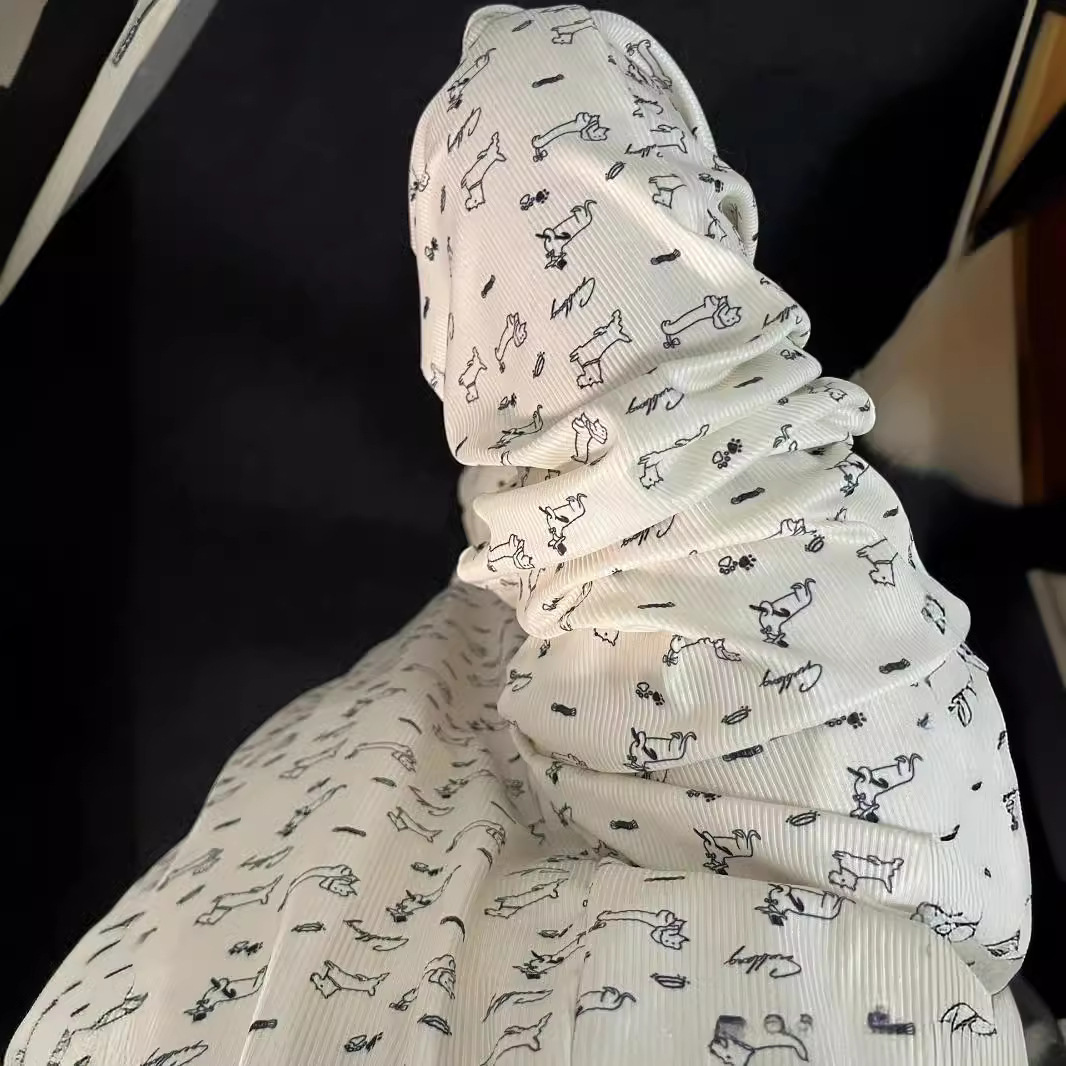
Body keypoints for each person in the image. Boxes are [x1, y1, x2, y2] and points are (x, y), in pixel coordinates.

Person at [7, 6, 1031, 1064]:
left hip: (741, 825)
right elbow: (530, 111)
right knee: (553, 533)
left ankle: (555, 518)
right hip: (761, 850)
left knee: (524, 573)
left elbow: (536, 105)